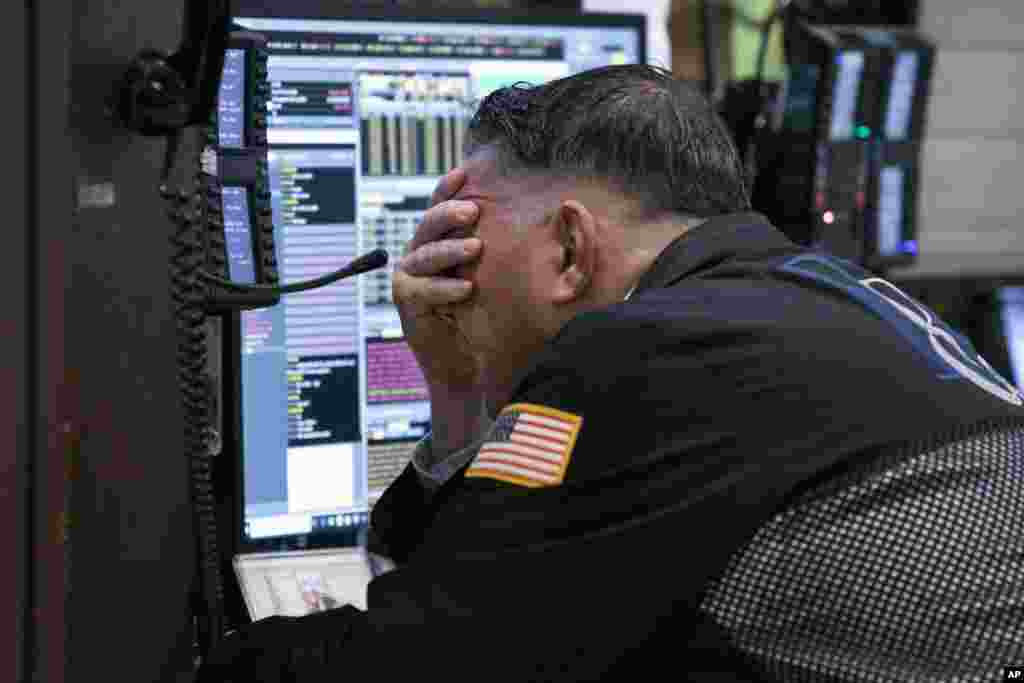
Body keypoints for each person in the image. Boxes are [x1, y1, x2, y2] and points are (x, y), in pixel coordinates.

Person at [197, 64, 1024, 682]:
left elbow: (420, 657)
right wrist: (461, 396)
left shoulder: (646, 350)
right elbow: (471, 582)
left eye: (467, 232)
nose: (452, 267)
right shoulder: (840, 301)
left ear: (567, 246)